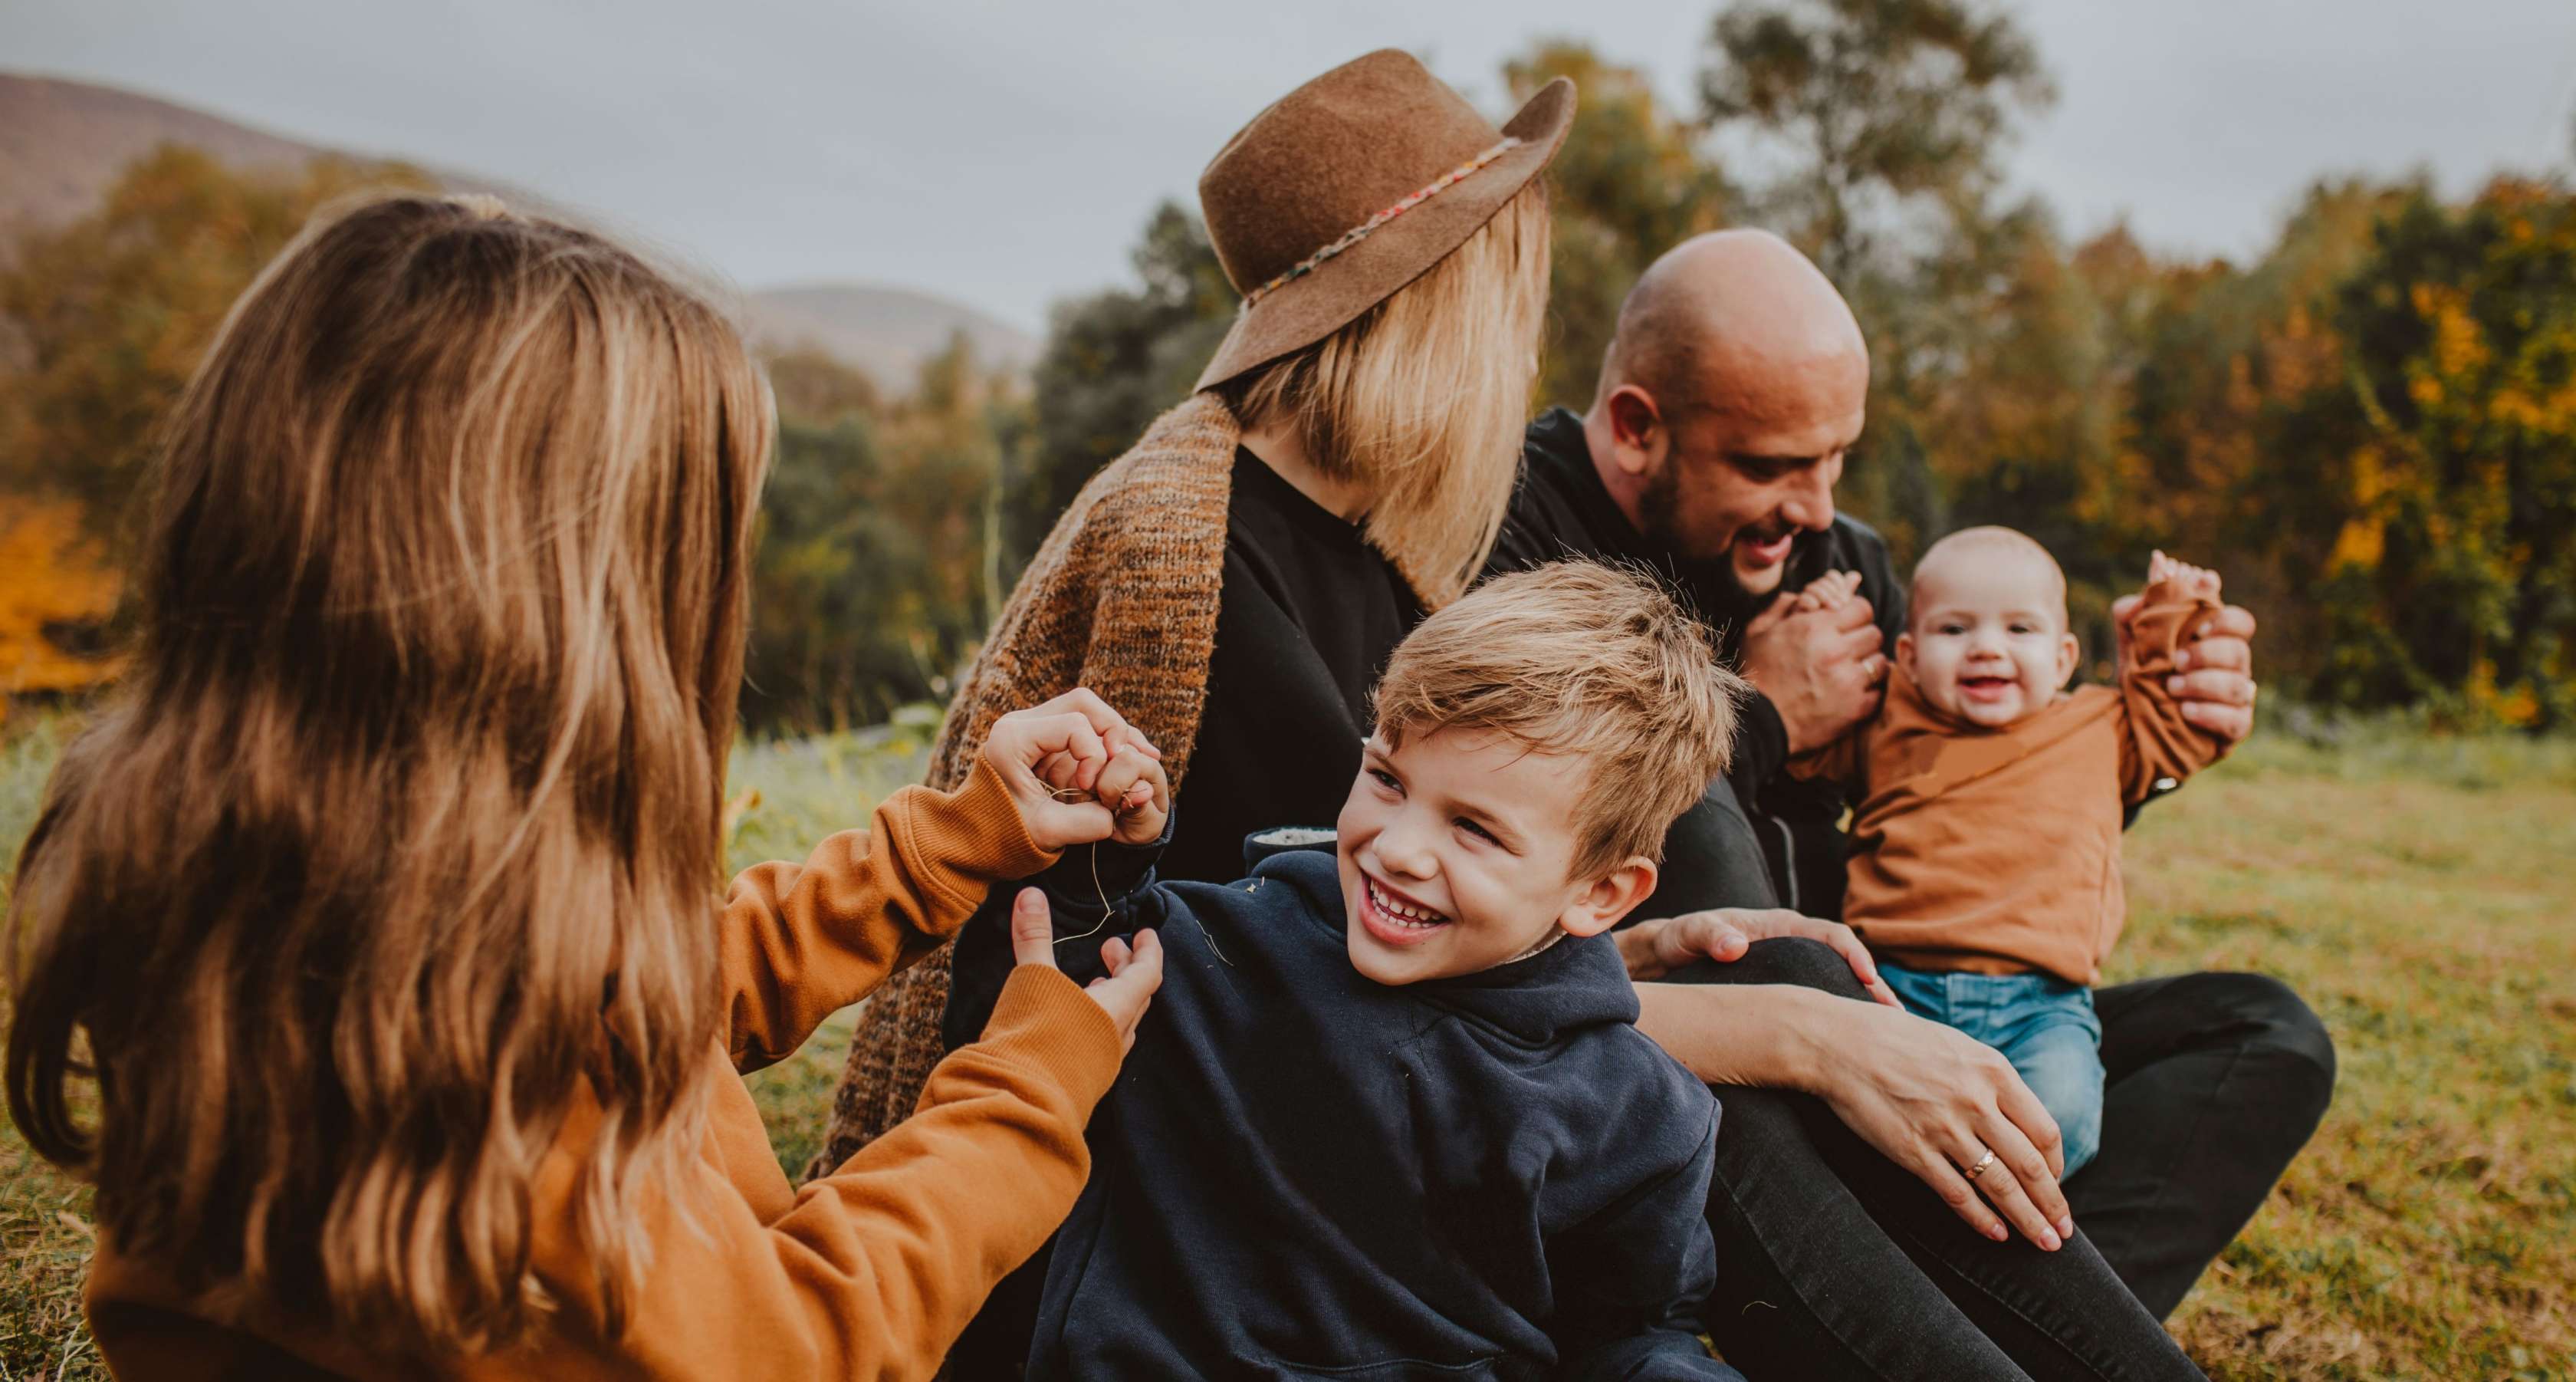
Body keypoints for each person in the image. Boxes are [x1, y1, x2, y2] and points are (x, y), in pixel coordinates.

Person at [1, 195, 1165, 1380]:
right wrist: (1029, 1080)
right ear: (575, 632)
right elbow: (807, 1345)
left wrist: (951, 844)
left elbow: (655, 1001)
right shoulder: (506, 1118)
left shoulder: (287, 910)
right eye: (707, 558)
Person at [1494, 229, 2335, 1372]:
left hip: (1915, 998)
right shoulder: (1520, 543)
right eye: (1771, 466)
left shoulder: (1845, 559)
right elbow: (1536, 838)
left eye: (1836, 457)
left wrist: (2153, 732)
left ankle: (1976, 1324)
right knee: (1724, 862)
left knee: (2261, 1030)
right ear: (1640, 426)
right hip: (1719, 1072)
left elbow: (1965, 806)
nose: (1816, 509)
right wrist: (1762, 718)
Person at [813, 38, 1570, 1221]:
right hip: (1155, 1183)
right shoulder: (1199, 554)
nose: (1523, 352)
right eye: (1511, 300)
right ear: (1440, 311)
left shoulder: (1373, 551)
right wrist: (1761, 1028)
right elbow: (1394, 958)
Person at [969, 564, 1753, 1380]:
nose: (1397, 847)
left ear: (1601, 892)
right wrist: (1083, 866)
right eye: (1386, 778)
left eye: (1475, 829)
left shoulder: (1640, 1119)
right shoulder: (1212, 947)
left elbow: (1629, 1332)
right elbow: (1017, 1018)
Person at [1792, 538, 2234, 1177]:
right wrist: (1821, 621)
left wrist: (2173, 611)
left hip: (2041, 1003)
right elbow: (1804, 736)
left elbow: (2177, 720)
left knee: (2062, 1121)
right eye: (1955, 628)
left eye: (2019, 628)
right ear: (1910, 656)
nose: (1988, 647)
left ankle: (1979, 1216)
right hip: (1890, 989)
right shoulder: (1889, 718)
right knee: (1859, 1131)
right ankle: (1904, 1213)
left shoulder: (2102, 727)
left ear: (2063, 660)